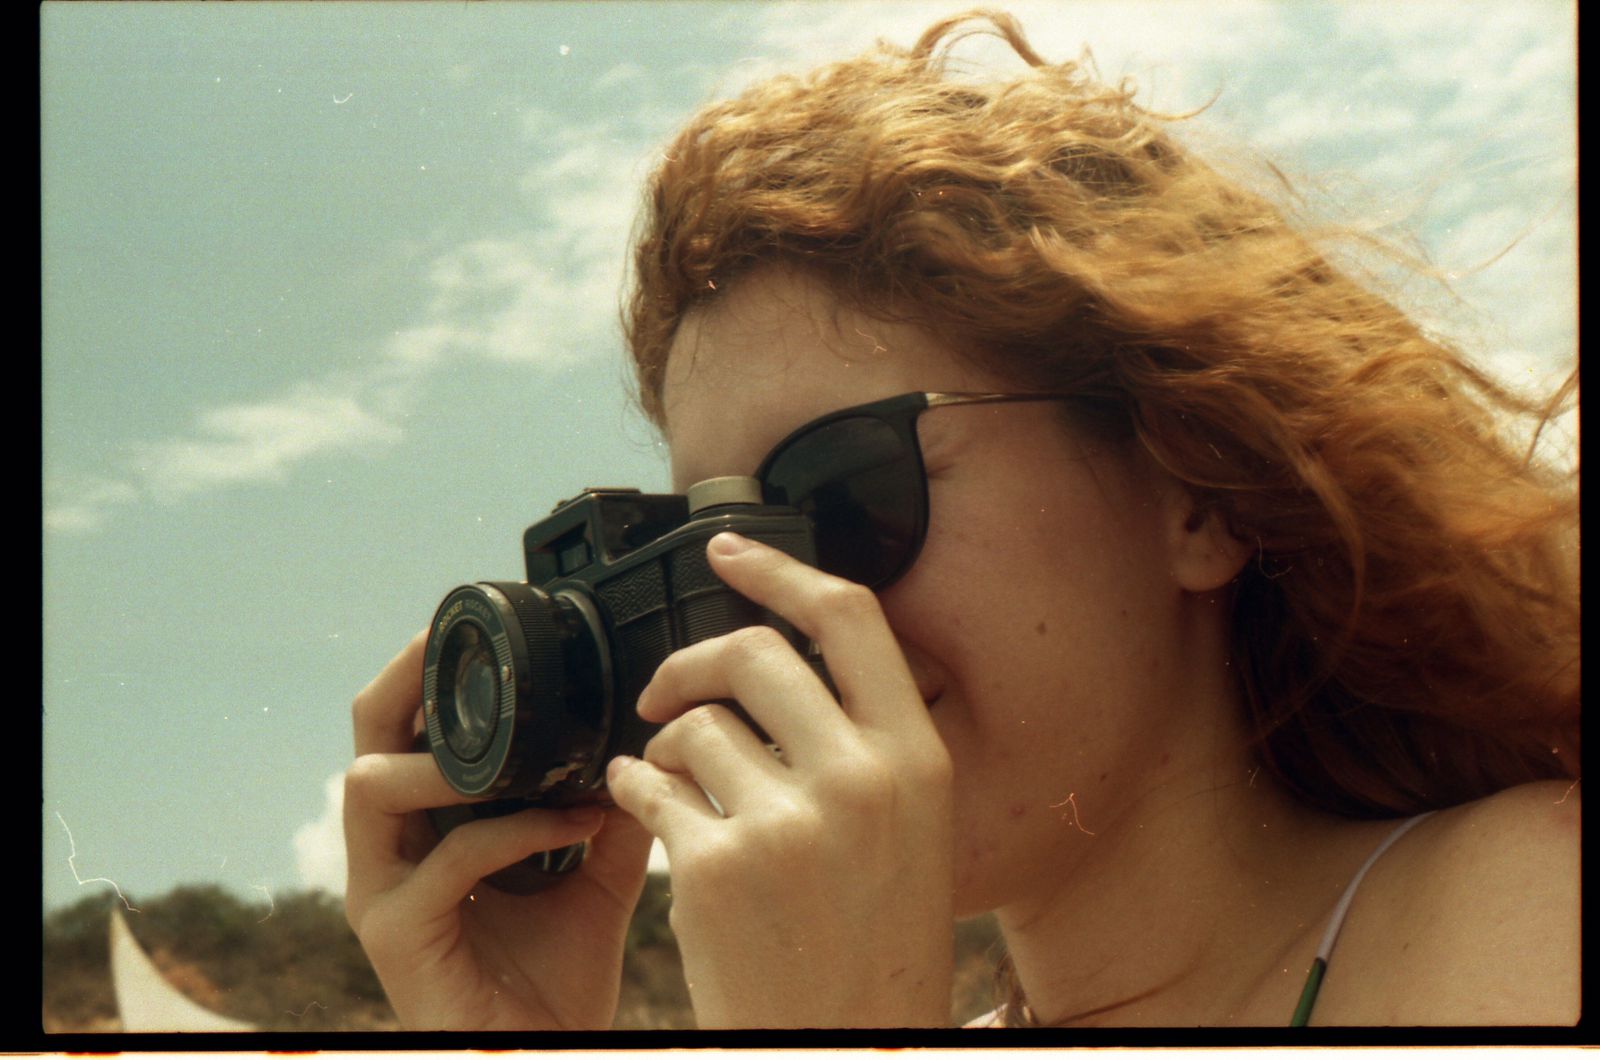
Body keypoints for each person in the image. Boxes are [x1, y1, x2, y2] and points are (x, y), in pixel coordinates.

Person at [343, 11, 1579, 1028]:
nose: (761, 617)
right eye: (702, 544)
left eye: (840, 495)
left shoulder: (1527, 903)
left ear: (1196, 487)